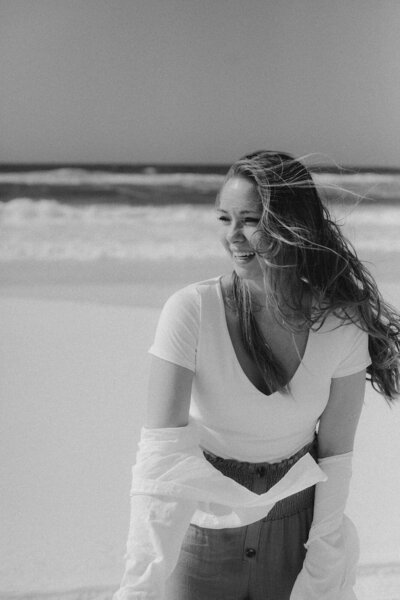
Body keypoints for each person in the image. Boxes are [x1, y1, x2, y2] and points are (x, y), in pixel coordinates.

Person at [113, 151, 400, 600]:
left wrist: (323, 563)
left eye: (250, 219)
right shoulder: (191, 310)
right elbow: (161, 459)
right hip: (204, 526)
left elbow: (335, 457)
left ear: (292, 225)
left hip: (296, 530)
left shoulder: (341, 324)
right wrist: (140, 584)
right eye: (224, 218)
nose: (233, 235)